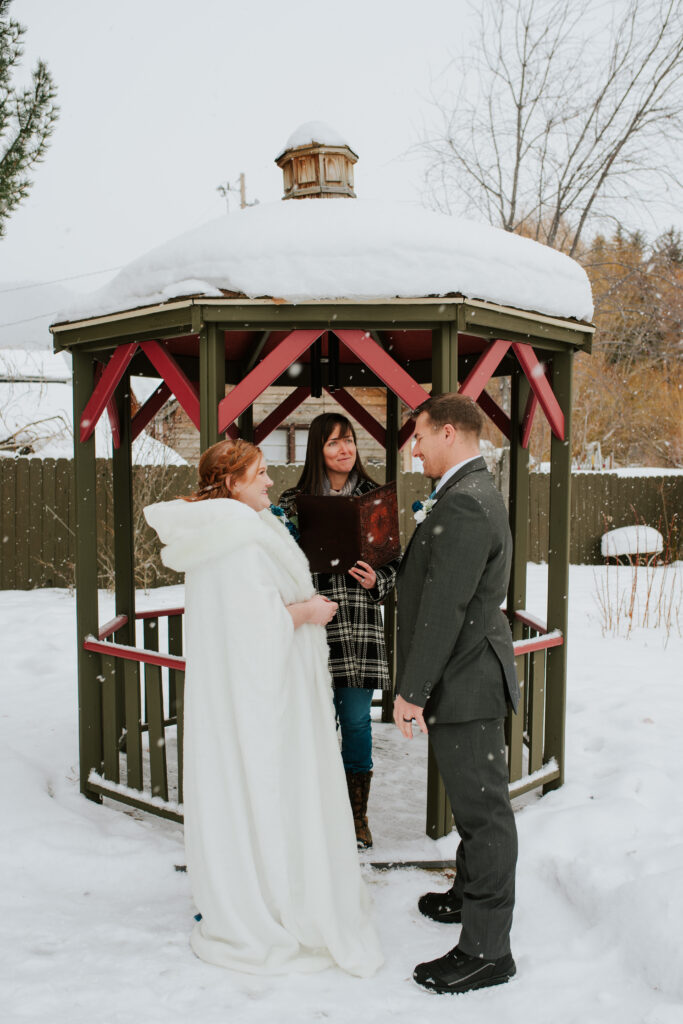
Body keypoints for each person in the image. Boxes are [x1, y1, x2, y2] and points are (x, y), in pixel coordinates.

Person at [144, 439, 383, 978]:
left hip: (259, 688)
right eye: (259, 473)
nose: (270, 481)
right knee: (269, 788)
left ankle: (274, 883)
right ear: (231, 483)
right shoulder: (234, 539)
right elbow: (251, 625)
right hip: (261, 696)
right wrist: (307, 611)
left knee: (259, 790)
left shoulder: (235, 529)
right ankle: (277, 897)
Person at [393, 394, 520, 995]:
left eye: (418, 435)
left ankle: (487, 950)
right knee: (475, 806)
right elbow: (440, 584)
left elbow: (446, 609)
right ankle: (466, 895)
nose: (412, 447)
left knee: (484, 815)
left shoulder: (467, 502)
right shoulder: (465, 491)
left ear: (448, 432)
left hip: (467, 680)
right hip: (466, 670)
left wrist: (411, 692)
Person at [278, 413, 399, 849]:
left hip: (359, 627)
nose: (344, 449)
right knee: (312, 720)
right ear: (318, 450)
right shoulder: (294, 502)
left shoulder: (376, 498)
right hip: (311, 626)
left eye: (348, 440)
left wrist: (377, 581)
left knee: (355, 720)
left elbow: (394, 564)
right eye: (333, 443)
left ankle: (356, 817)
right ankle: (314, 813)